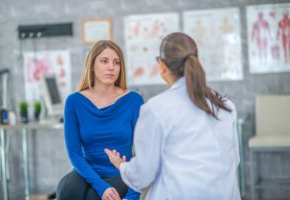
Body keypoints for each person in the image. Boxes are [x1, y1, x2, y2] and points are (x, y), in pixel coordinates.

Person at [105, 32, 241, 200]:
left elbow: (142, 177)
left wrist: (122, 166)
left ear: (161, 65)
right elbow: (234, 160)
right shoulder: (225, 105)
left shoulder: (156, 109)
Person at [57, 40, 143, 200]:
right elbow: (74, 153)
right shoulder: (74, 102)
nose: (111, 67)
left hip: (120, 173)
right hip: (86, 172)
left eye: (116, 62)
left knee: (93, 197)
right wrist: (101, 186)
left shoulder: (133, 101)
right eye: (104, 61)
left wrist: (132, 196)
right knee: (67, 189)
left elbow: (142, 154)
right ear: (92, 65)